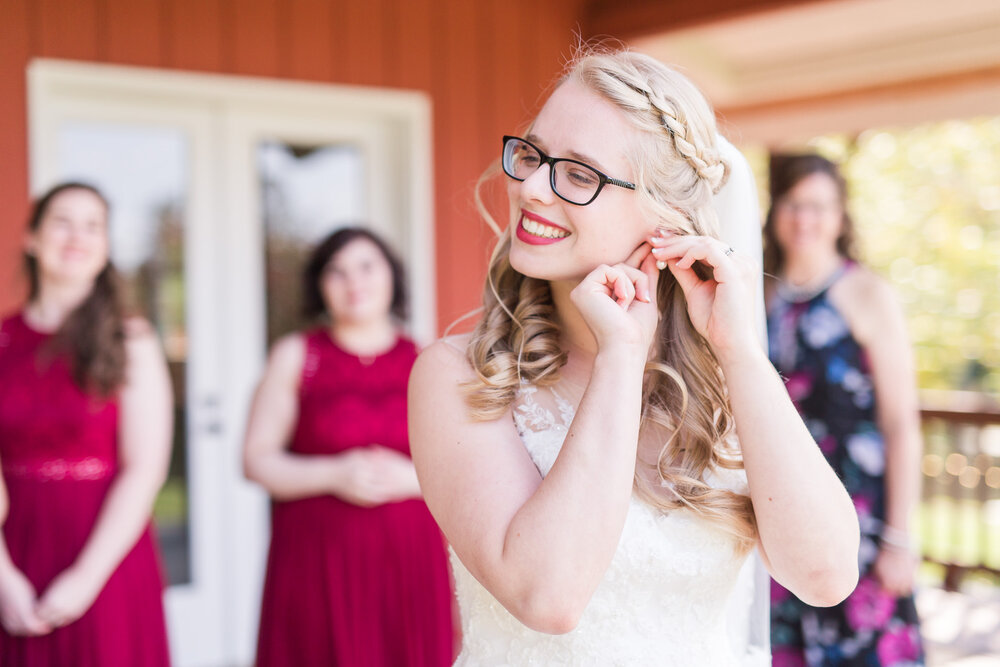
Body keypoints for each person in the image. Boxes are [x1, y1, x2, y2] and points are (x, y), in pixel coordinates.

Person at [408, 47, 860, 666]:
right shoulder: (459, 375)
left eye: (579, 174)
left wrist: (739, 353)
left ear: (665, 218)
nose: (532, 187)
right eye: (534, 156)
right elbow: (548, 596)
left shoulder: (727, 384)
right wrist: (621, 355)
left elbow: (826, 575)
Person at [244, 227, 453, 667]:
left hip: (408, 559)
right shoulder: (297, 355)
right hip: (315, 560)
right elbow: (256, 461)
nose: (353, 282)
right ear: (320, 287)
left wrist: (411, 480)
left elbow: (464, 470)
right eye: (336, 272)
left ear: (392, 276)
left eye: (365, 267)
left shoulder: (429, 359)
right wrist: (334, 474)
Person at [0, 182, 172, 665]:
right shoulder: (2, 340)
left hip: (106, 551)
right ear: (31, 239)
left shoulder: (131, 340)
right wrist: (3, 578)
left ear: (106, 248)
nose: (78, 236)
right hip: (12, 547)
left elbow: (146, 468)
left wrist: (85, 577)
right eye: (62, 221)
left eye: (93, 225)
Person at [764, 154, 925, 666]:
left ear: (840, 216)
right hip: (777, 508)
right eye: (792, 203)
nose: (803, 218)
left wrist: (899, 538)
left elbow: (901, 424)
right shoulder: (757, 294)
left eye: (818, 206)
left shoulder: (868, 294)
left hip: (860, 517)